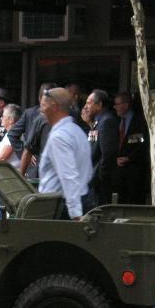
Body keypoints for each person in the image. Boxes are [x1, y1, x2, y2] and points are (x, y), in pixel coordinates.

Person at [38, 88, 93, 219]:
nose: (41, 110)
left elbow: (69, 177)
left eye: (43, 105)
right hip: (79, 199)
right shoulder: (76, 131)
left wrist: (76, 215)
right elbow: (87, 172)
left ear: (54, 107)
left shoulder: (59, 137)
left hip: (61, 208)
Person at [7, 82, 57, 176]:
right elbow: (12, 134)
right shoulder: (30, 114)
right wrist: (24, 153)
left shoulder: (61, 115)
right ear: (40, 99)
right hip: (34, 169)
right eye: (46, 100)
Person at [114, 92, 150, 204]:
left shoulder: (139, 121)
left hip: (135, 172)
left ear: (126, 105)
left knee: (134, 202)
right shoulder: (117, 121)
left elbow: (142, 144)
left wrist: (129, 158)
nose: (115, 107)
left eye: (117, 104)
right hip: (120, 173)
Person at [85, 89, 119, 204]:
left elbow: (108, 154)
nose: (86, 107)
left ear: (99, 105)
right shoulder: (98, 122)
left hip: (100, 184)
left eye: (89, 103)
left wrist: (100, 177)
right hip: (93, 182)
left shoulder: (107, 121)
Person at [0, 104, 22, 169]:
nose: (1, 118)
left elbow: (1, 158)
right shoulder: (8, 133)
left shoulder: (15, 135)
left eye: (3, 116)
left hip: (12, 174)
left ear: (11, 120)